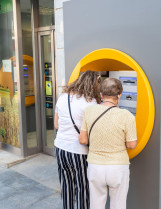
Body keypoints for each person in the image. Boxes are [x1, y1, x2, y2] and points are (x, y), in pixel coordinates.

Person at [79, 78, 138, 209]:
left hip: (95, 166)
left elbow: (82, 140)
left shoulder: (89, 110)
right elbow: (132, 144)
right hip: (118, 167)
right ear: (119, 95)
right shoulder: (127, 115)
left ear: (101, 95)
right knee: (118, 205)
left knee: (96, 205)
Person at [54, 71, 102, 209]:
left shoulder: (63, 97)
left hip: (60, 148)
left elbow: (57, 125)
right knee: (83, 188)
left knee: (66, 185)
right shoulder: (91, 103)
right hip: (78, 152)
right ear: (94, 85)